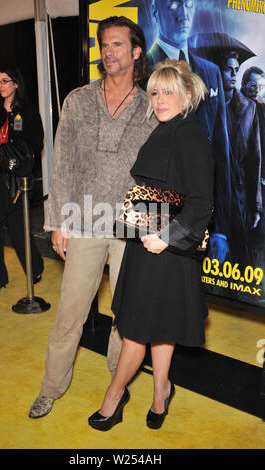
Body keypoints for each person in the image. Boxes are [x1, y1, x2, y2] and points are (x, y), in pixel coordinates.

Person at [28, 16, 157, 419]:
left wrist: (153, 226)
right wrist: (58, 223)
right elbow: (62, 162)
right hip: (83, 220)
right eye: (104, 44)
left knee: (126, 315)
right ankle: (51, 387)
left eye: (118, 44)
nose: (108, 51)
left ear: (136, 52)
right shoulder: (78, 100)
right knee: (71, 312)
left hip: (129, 227)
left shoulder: (151, 104)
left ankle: (117, 385)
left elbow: (159, 170)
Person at [88, 59, 214, 431]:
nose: (160, 100)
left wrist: (165, 238)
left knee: (136, 331)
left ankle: (113, 397)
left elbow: (201, 203)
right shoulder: (163, 130)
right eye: (155, 92)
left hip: (166, 249)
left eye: (169, 92)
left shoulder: (189, 134)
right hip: (146, 244)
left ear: (188, 94)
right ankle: (161, 392)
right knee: (160, 325)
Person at [146, 0, 231, 264]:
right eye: (172, 5)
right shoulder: (142, 72)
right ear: (155, 11)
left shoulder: (210, 71)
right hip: (154, 219)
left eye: (189, 4)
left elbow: (222, 152)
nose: (183, 13)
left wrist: (222, 229)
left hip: (199, 213)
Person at [0, 65, 44, 295]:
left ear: (16, 83)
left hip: (17, 177)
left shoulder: (27, 111)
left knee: (18, 227)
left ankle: (34, 268)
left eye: (6, 81)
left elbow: (37, 143)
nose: (1, 85)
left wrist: (14, 153)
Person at [219, 52, 262, 267]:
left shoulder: (248, 107)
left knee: (240, 260)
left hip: (239, 194)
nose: (233, 74)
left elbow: (255, 159)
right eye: (228, 69)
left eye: (236, 70)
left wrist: (255, 206)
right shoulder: (208, 103)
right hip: (211, 193)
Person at [241, 66, 265, 267]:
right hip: (240, 181)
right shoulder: (237, 107)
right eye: (252, 84)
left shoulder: (261, 109)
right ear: (243, 84)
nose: (256, 89)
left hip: (260, 183)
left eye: (260, 85)